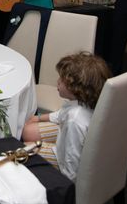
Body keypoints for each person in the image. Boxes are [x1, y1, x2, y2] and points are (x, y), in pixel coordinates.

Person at [22, 52, 111, 182]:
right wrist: (38, 118)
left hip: (64, 161)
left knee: (22, 152)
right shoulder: (85, 102)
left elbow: (71, 166)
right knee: (27, 132)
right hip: (66, 137)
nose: (57, 82)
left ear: (76, 88)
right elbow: (61, 114)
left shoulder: (75, 121)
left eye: (62, 80)